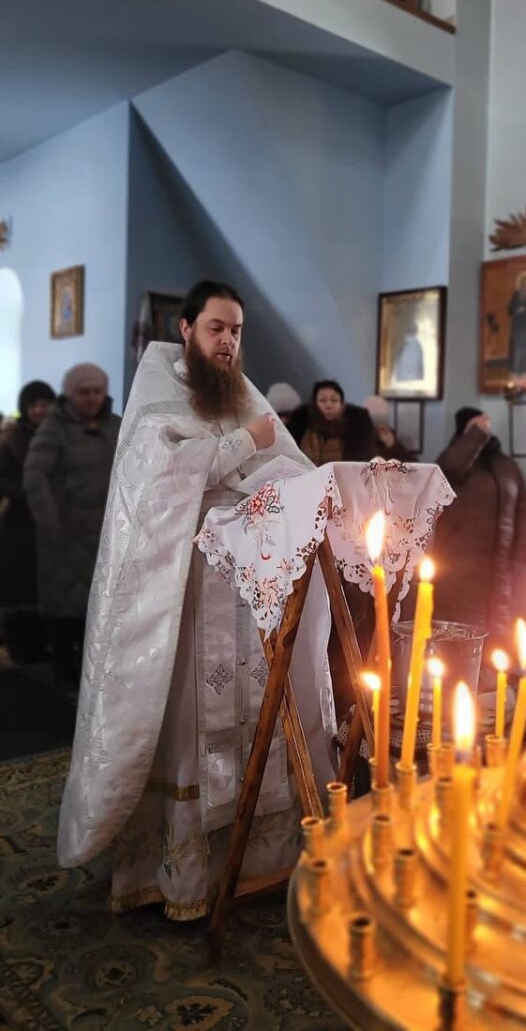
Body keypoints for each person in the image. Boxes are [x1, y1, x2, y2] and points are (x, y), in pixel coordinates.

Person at [56, 280, 335, 921]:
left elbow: (292, 465)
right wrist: (245, 445)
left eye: (236, 331)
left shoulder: (243, 394)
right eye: (217, 328)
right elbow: (160, 481)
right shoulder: (158, 393)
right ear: (186, 329)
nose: (228, 341)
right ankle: (178, 873)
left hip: (246, 589)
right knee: (188, 720)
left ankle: (255, 859)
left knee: (256, 714)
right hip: (183, 595)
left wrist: (285, 481)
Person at [23, 364, 121, 689]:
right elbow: (35, 475)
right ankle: (64, 674)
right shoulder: (54, 429)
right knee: (65, 608)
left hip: (105, 532)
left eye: (97, 392)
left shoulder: (115, 425)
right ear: (70, 394)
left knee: (99, 607)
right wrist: (51, 521)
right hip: (65, 534)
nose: (92, 398)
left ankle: (93, 676)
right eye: (84, 392)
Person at [434, 406, 526, 653]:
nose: (483, 429)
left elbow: (524, 509)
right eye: (474, 426)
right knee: (461, 630)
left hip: (500, 566)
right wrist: (475, 436)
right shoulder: (455, 459)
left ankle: (491, 674)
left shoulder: (505, 465)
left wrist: (523, 555)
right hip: (460, 564)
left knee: (497, 629)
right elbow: (450, 468)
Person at [0, 381, 56, 665]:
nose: (39, 410)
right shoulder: (12, 439)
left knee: (44, 588)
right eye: (34, 405)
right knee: (20, 589)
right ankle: (20, 649)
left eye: (45, 404)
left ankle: (41, 647)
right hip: (20, 525)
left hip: (50, 525)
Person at [287, 379, 377, 465]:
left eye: (334, 400)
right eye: (322, 400)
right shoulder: (302, 426)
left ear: (342, 404)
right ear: (315, 403)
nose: (329, 405)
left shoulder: (356, 430)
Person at [362, 394, 417, 462]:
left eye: (382, 415)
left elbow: (411, 463)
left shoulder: (392, 436)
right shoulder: (359, 437)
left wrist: (393, 446)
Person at [508, 271, 526, 375]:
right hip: (517, 325)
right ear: (521, 284)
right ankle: (515, 370)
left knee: (525, 347)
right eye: (524, 283)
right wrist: (517, 310)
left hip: (525, 325)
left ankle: (524, 370)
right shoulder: (515, 295)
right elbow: (509, 310)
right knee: (516, 347)